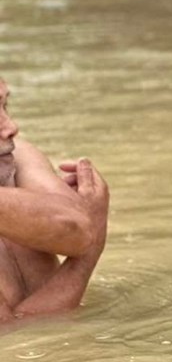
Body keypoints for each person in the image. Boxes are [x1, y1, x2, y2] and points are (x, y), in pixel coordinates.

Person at [0, 77, 109, 322]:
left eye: (5, 106)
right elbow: (22, 332)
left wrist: (93, 225)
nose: (11, 127)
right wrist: (89, 254)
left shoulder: (19, 156)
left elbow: (77, 229)